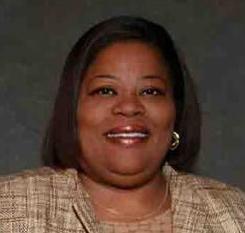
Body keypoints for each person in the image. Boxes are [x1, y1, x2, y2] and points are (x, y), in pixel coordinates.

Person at [0, 16, 244, 233]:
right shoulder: (9, 207)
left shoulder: (236, 214)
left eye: (151, 91)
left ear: (176, 111)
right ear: (73, 109)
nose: (129, 107)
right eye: (105, 91)